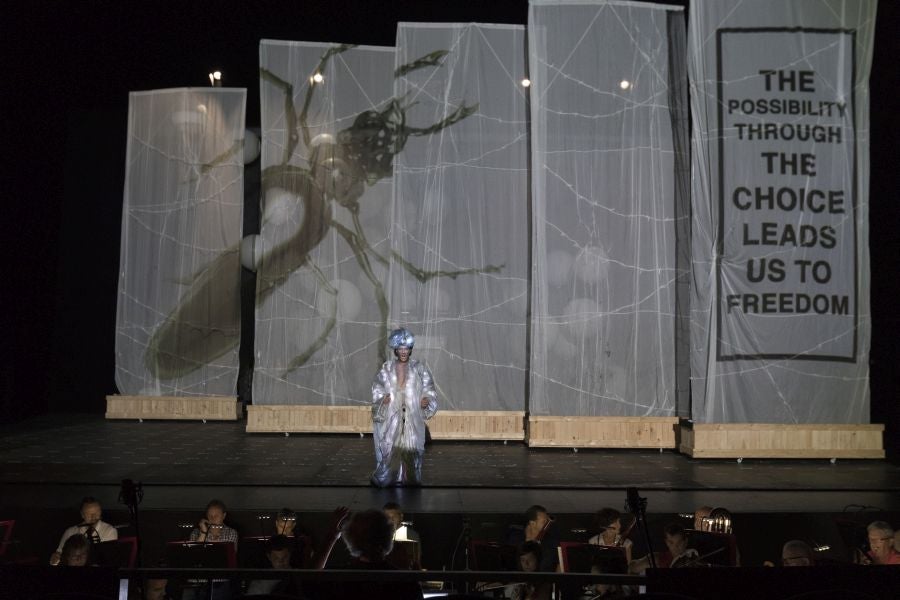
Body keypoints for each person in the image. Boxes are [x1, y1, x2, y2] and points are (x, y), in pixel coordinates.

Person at [371, 328, 438, 487]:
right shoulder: (387, 368)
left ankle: (409, 477)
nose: (403, 352)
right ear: (395, 349)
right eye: (400, 348)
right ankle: (387, 477)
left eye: (406, 348)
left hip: (411, 416)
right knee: (390, 446)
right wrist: (383, 399)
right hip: (392, 416)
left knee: (410, 447)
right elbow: (377, 387)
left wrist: (426, 399)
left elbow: (429, 388)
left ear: (410, 350)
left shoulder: (418, 369)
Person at [319, 508, 424, 600]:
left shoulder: (339, 580)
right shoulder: (406, 585)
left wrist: (332, 535)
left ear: (351, 538)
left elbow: (309, 580)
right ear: (388, 536)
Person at [50, 496, 118, 565]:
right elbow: (59, 556)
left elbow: (107, 559)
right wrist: (55, 560)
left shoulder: (109, 531)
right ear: (82, 514)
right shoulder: (70, 531)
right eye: (89, 514)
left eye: (97, 513)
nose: (94, 517)